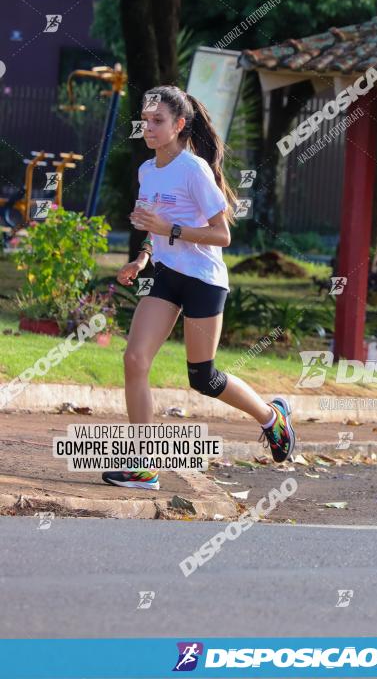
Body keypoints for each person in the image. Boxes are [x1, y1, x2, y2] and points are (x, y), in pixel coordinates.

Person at [101, 85, 295, 490]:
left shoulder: (194, 170)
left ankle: (270, 417)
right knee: (135, 359)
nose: (148, 128)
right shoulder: (146, 171)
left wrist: (168, 229)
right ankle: (142, 465)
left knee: (202, 377)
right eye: (145, 120)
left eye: (158, 121)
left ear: (179, 125)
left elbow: (222, 235)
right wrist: (142, 257)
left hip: (204, 281)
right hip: (168, 276)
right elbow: (154, 226)